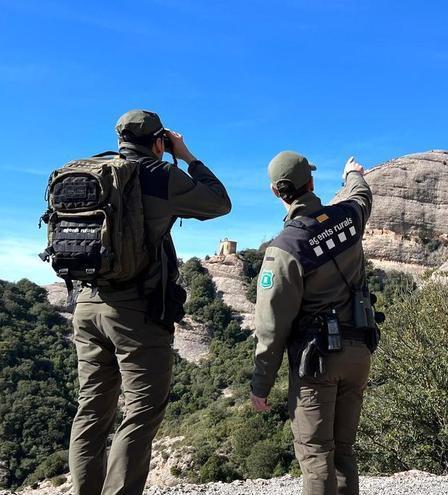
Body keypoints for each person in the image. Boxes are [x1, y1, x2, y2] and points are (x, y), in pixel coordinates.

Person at [68, 110, 231, 495]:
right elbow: (219, 202)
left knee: (91, 410)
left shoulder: (92, 170)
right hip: (135, 312)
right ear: (159, 142)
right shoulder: (160, 174)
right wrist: (186, 155)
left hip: (86, 304)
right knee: (140, 413)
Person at [250, 151, 374, 495]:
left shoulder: (284, 248)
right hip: (359, 352)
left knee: (317, 455)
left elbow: (271, 326)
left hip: (318, 362)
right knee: (344, 451)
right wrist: (352, 174)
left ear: (276, 192)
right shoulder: (348, 217)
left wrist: (261, 384)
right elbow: (362, 195)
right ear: (312, 183)